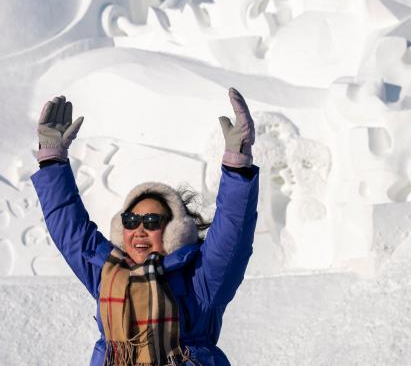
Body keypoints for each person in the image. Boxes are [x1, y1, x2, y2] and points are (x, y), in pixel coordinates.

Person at [32, 88, 259, 366]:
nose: (139, 229)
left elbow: (233, 232)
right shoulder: (108, 274)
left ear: (174, 232)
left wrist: (237, 167)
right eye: (131, 221)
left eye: (152, 222)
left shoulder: (201, 280)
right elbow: (70, 229)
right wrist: (53, 161)